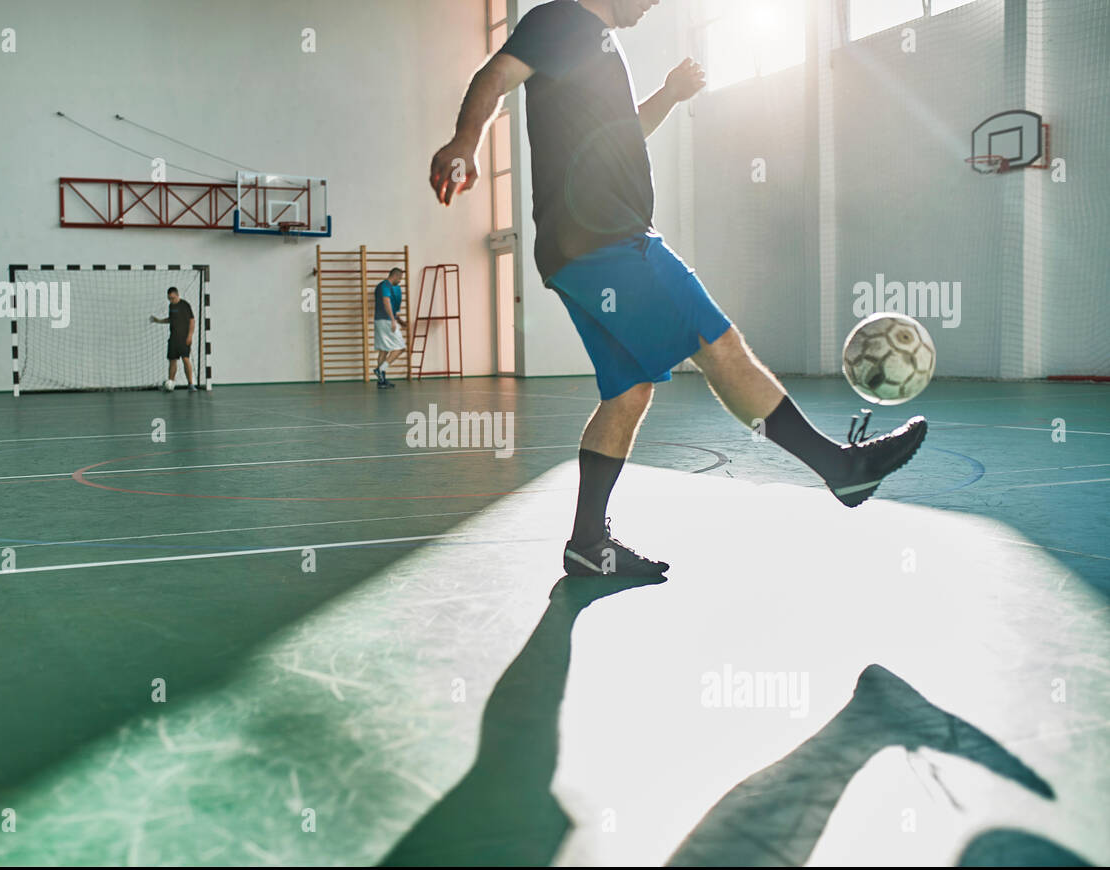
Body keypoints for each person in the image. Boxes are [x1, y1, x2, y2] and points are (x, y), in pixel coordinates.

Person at [429, 0, 926, 578]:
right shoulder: (561, 19)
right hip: (608, 240)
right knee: (719, 345)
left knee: (629, 393)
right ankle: (839, 469)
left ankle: (589, 542)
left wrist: (668, 94)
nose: (652, 3)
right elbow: (494, 76)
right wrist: (466, 143)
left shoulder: (598, 46)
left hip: (577, 250)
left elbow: (626, 130)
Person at [150, 287, 196, 390]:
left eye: (172, 298)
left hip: (184, 338)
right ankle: (170, 383)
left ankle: (191, 384)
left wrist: (190, 336)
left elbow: (192, 321)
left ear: (177, 295)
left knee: (185, 359)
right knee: (172, 360)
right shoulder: (171, 306)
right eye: (169, 298)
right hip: (173, 339)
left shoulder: (185, 305)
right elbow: (171, 319)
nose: (171, 300)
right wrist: (159, 321)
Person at [372, 268, 407, 389]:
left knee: (384, 350)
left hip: (380, 320)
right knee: (401, 348)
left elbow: (389, 306)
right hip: (386, 321)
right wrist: (393, 320)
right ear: (395, 276)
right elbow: (386, 302)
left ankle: (381, 381)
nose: (400, 281)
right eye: (400, 278)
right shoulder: (386, 285)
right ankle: (380, 370)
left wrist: (400, 321)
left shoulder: (381, 286)